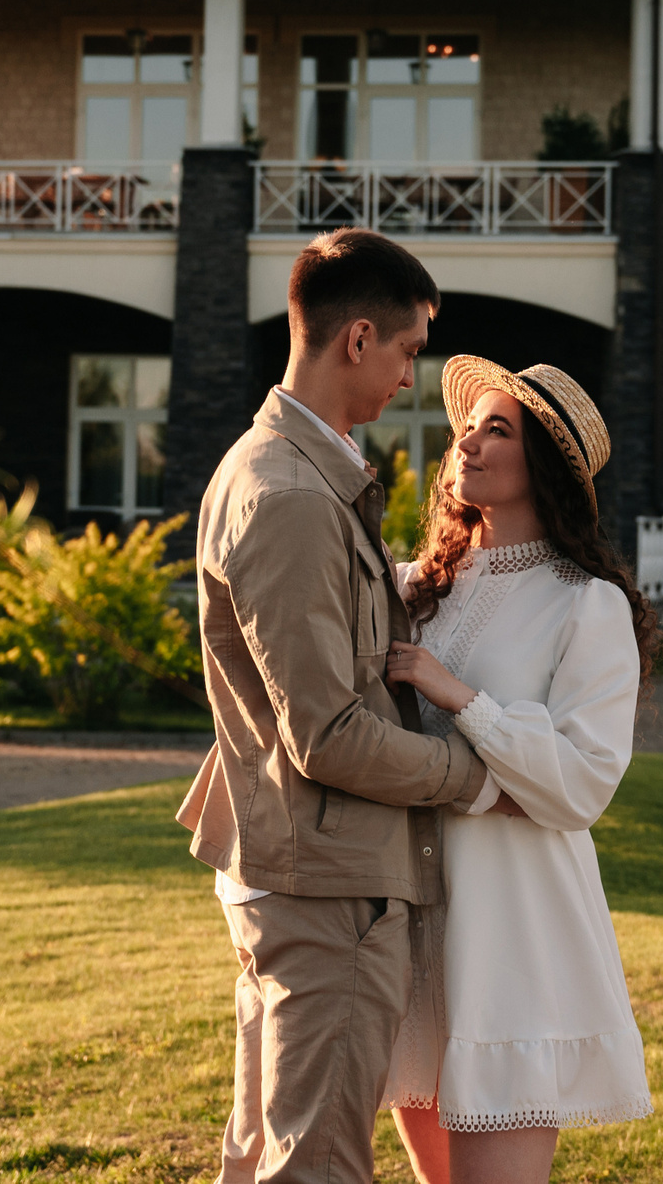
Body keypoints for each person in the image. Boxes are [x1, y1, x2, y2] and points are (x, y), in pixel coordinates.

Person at [181, 227, 508, 1184]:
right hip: (325, 891)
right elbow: (324, 733)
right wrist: (474, 771)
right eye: (410, 351)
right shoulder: (287, 493)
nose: (412, 378)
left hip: (303, 871)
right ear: (357, 340)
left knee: (267, 1156)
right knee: (316, 1165)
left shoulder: (294, 473)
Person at [379, 358, 663, 1183]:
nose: (466, 440)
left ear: (544, 463)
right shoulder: (423, 587)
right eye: (468, 425)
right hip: (416, 931)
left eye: (496, 428)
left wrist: (459, 696)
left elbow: (582, 785)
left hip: (513, 944)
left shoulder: (586, 602)